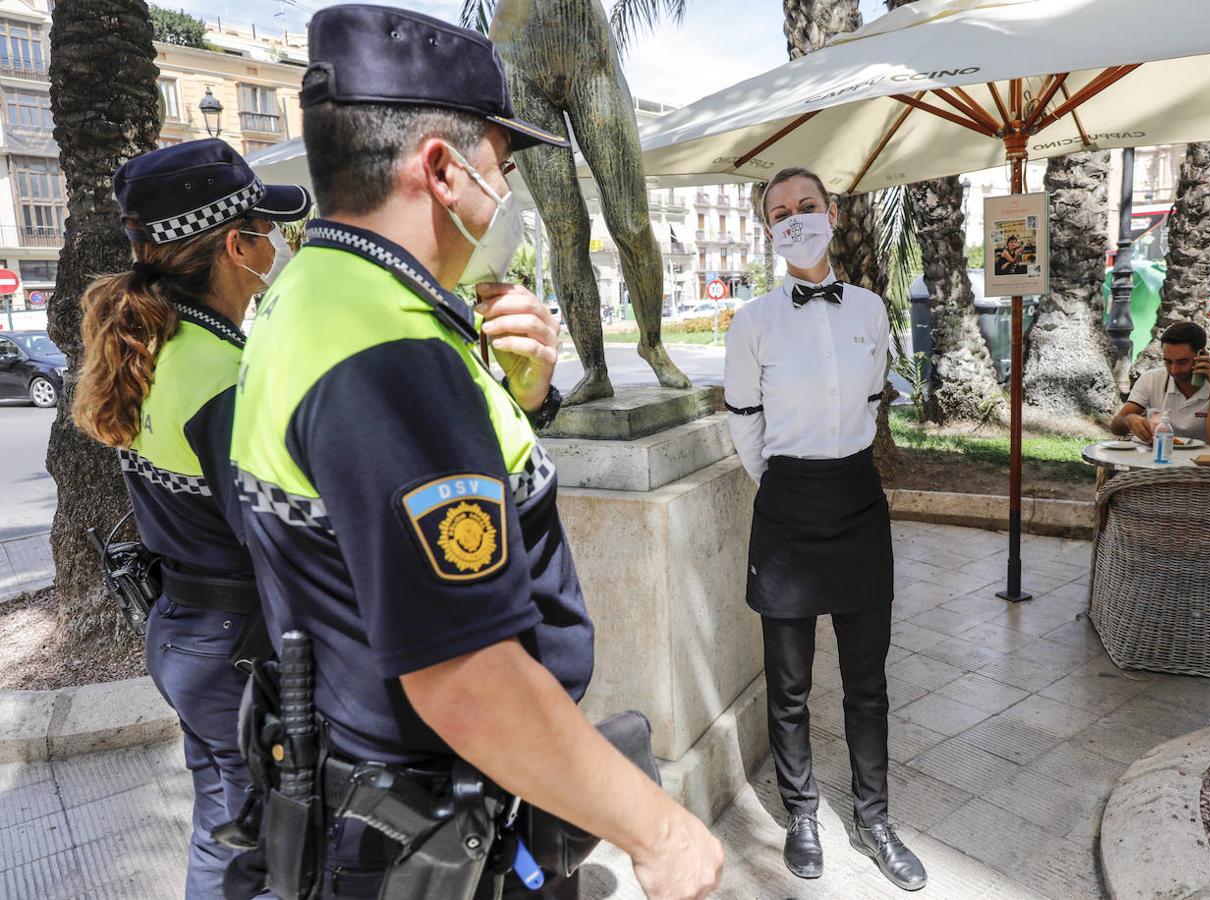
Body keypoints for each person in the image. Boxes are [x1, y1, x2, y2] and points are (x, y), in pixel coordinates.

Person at [228, 7, 721, 899]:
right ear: (444, 170)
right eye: (504, 162)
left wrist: (521, 391)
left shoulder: (314, 289)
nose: (512, 189)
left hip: (379, 793)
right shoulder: (393, 357)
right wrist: (659, 831)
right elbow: (469, 679)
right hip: (441, 821)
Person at [72, 138, 312, 898]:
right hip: (236, 646)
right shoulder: (219, 374)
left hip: (187, 633)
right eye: (267, 232)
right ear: (237, 246)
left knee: (225, 826)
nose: (278, 245)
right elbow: (274, 536)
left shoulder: (158, 344)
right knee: (263, 841)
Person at [723, 166, 927, 893]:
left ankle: (874, 818)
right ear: (769, 229)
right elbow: (744, 424)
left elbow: (872, 402)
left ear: (832, 214)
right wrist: (782, 487)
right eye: (781, 212)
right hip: (786, 507)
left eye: (806, 206)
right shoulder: (753, 322)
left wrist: (835, 475)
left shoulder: (870, 309)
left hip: (858, 500)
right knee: (790, 684)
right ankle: (803, 813)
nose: (796, 219)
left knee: (868, 682)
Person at [1110, 320, 1210, 445]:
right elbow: (1116, 427)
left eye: (1182, 362)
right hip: (1158, 461)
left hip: (1204, 467)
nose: (1174, 370)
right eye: (1168, 361)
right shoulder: (1151, 379)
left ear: (1202, 356)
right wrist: (1129, 419)